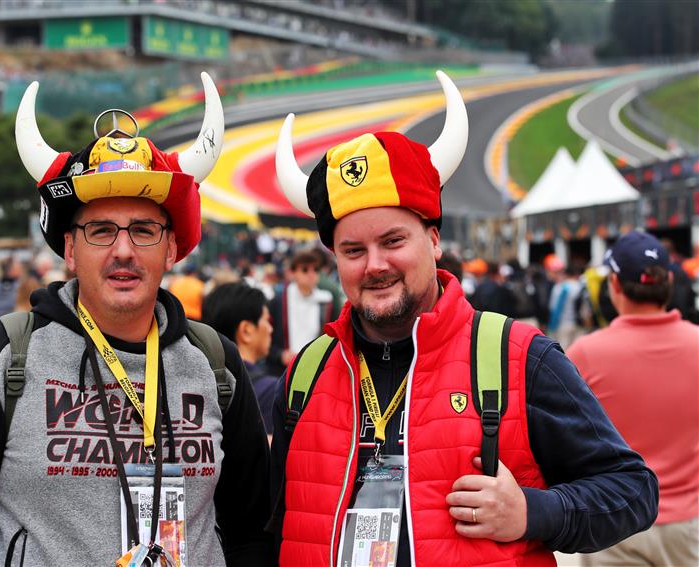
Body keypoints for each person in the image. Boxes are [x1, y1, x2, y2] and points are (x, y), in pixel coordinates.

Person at [268, 71, 658, 566]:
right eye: (353, 250)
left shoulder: (518, 356)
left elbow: (633, 491)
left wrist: (534, 512)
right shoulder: (305, 375)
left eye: (393, 241)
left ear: (433, 241)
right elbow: (263, 532)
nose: (375, 265)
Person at [0, 73, 273, 566]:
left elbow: (253, 535)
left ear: (172, 246)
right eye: (100, 230)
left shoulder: (216, 366)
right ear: (70, 248)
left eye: (143, 230)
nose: (122, 251)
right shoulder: (3, 358)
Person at [567, 231, 698, 567]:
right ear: (667, 280)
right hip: (689, 522)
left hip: (617, 520)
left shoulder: (586, 353)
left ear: (614, 284)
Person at [203, 282, 277, 436]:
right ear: (246, 331)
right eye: (266, 320)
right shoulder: (269, 390)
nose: (270, 329)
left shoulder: (199, 380)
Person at [267, 249, 334, 376]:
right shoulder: (279, 300)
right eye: (305, 270)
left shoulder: (326, 301)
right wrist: (280, 354)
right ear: (293, 273)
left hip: (313, 371)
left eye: (316, 270)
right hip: (282, 371)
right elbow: (266, 339)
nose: (311, 274)